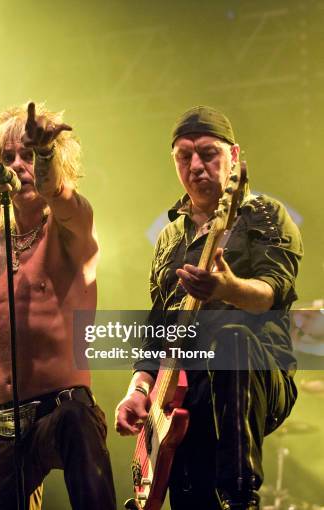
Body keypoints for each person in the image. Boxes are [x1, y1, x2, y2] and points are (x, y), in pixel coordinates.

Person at [115, 106, 303, 510]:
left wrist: (229, 288)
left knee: (232, 339)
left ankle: (241, 498)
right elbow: (157, 329)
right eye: (184, 156)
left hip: (256, 374)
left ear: (234, 157)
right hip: (185, 393)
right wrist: (138, 389)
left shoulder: (265, 215)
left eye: (207, 153)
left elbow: (273, 291)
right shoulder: (168, 238)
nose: (195, 165)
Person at [0, 102, 116, 509]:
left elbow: (58, 193)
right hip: (4, 424)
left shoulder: (70, 225)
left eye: (28, 154)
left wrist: (45, 157)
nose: (17, 166)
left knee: (77, 421)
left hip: (62, 411)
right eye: (8, 158)